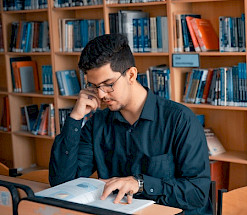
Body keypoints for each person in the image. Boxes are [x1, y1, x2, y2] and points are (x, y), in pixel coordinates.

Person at [49, 34, 212, 214]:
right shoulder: (97, 123)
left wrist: (140, 184)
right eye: (94, 86)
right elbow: (62, 184)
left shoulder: (180, 120)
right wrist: (75, 118)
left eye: (108, 84)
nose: (101, 95)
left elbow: (197, 193)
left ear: (131, 74)